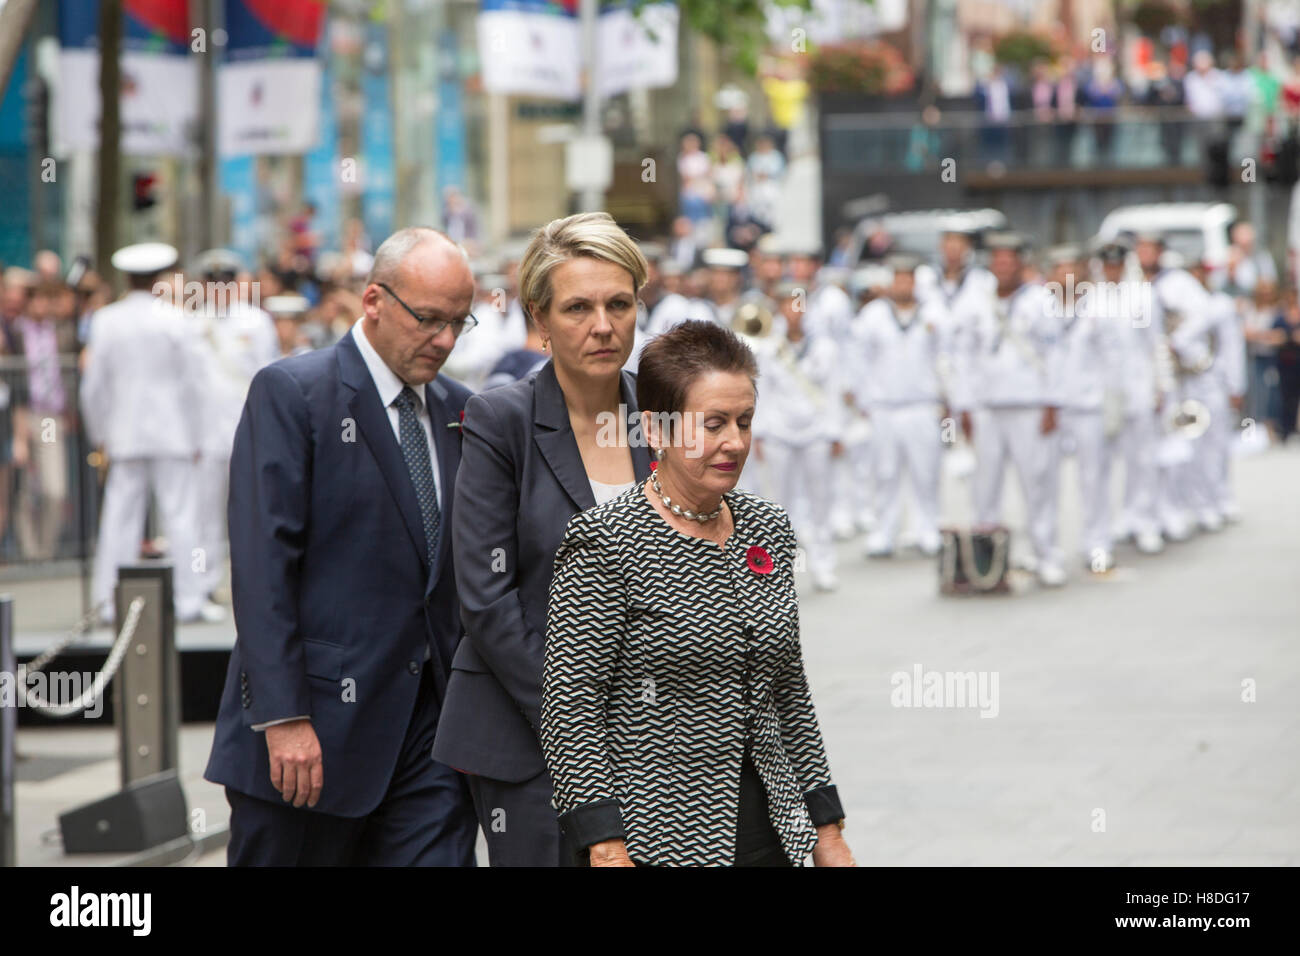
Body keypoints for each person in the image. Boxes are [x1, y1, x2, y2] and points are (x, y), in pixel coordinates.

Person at [204, 228, 479, 866]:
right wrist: (282, 717)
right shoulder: (293, 394)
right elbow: (262, 568)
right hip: (309, 746)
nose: (443, 339)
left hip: (431, 751)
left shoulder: (463, 412)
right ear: (374, 300)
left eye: (458, 323)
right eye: (429, 319)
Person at [540, 319, 852, 867]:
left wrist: (827, 828)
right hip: (656, 837)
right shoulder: (606, 540)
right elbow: (571, 709)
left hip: (774, 828)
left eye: (745, 421)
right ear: (657, 430)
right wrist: (605, 846)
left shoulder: (767, 528)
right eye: (713, 424)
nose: (734, 442)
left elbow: (789, 689)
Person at [431, 212, 654, 866]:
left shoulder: (665, 418)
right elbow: (486, 599)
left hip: (654, 741)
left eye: (619, 304)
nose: (603, 325)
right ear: (541, 316)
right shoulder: (502, 420)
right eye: (578, 307)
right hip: (528, 738)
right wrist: (579, 722)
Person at [80, 243, 216, 623]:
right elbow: (196, 383)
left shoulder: (106, 320)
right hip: (174, 433)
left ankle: (108, 601)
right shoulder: (176, 319)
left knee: (119, 517)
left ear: (126, 278)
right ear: (159, 277)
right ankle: (190, 598)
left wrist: (100, 432)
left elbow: (94, 385)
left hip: (124, 432)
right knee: (181, 516)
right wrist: (199, 435)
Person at [949, 232, 1068, 586]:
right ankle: (985, 562)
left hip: (1029, 405)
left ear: (1021, 263)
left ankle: (1046, 555)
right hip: (987, 406)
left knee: (1037, 482)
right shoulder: (976, 301)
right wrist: (964, 406)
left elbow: (1055, 355)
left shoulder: (1040, 302)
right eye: (997, 260)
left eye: (1009, 259)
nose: (1002, 266)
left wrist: (1052, 402)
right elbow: (963, 357)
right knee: (985, 485)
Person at [187, 249, 278, 604]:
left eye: (226, 283)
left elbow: (269, 376)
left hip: (248, 431)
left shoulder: (256, 322)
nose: (219, 290)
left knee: (254, 511)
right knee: (204, 517)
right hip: (207, 435)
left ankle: (256, 584)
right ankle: (204, 586)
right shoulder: (193, 324)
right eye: (213, 284)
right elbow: (188, 386)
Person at [852, 255, 952, 558]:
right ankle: (884, 532)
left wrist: (948, 399)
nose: (903, 285)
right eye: (898, 279)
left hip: (923, 405)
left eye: (908, 279)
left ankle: (928, 528)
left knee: (926, 472)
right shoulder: (873, 315)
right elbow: (859, 359)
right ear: (890, 282)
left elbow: (947, 358)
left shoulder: (935, 312)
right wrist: (864, 399)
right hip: (885, 406)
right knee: (885, 473)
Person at [753, 283, 843, 591]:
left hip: (816, 431)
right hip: (779, 431)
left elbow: (833, 391)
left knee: (821, 500)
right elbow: (761, 392)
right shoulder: (767, 346)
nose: (793, 312)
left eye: (798, 305)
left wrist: (835, 432)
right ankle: (780, 572)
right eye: (787, 305)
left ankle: (823, 565)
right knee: (780, 504)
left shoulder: (825, 347)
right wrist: (760, 433)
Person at [1047, 245, 1125, 572]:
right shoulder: (1037, 307)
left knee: (1093, 479)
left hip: (1089, 405)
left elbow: (1114, 360)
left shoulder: (1100, 306)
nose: (1066, 276)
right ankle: (1045, 550)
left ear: (1082, 272)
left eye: (1072, 268)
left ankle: (1097, 543)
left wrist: (1113, 406)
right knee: (1042, 479)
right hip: (1050, 406)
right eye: (1059, 269)